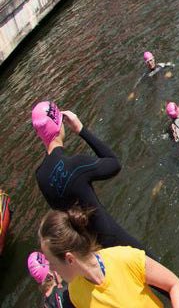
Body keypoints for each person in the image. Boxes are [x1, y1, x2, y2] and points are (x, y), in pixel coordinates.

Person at [32, 102, 147, 251]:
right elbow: (114, 164)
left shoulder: (40, 175)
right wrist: (81, 130)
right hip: (114, 242)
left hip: (88, 250)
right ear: (59, 124)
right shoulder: (76, 164)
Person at [38, 207, 179, 307]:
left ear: (70, 259)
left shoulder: (125, 258)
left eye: (52, 262)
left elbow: (174, 284)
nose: (50, 269)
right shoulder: (75, 293)